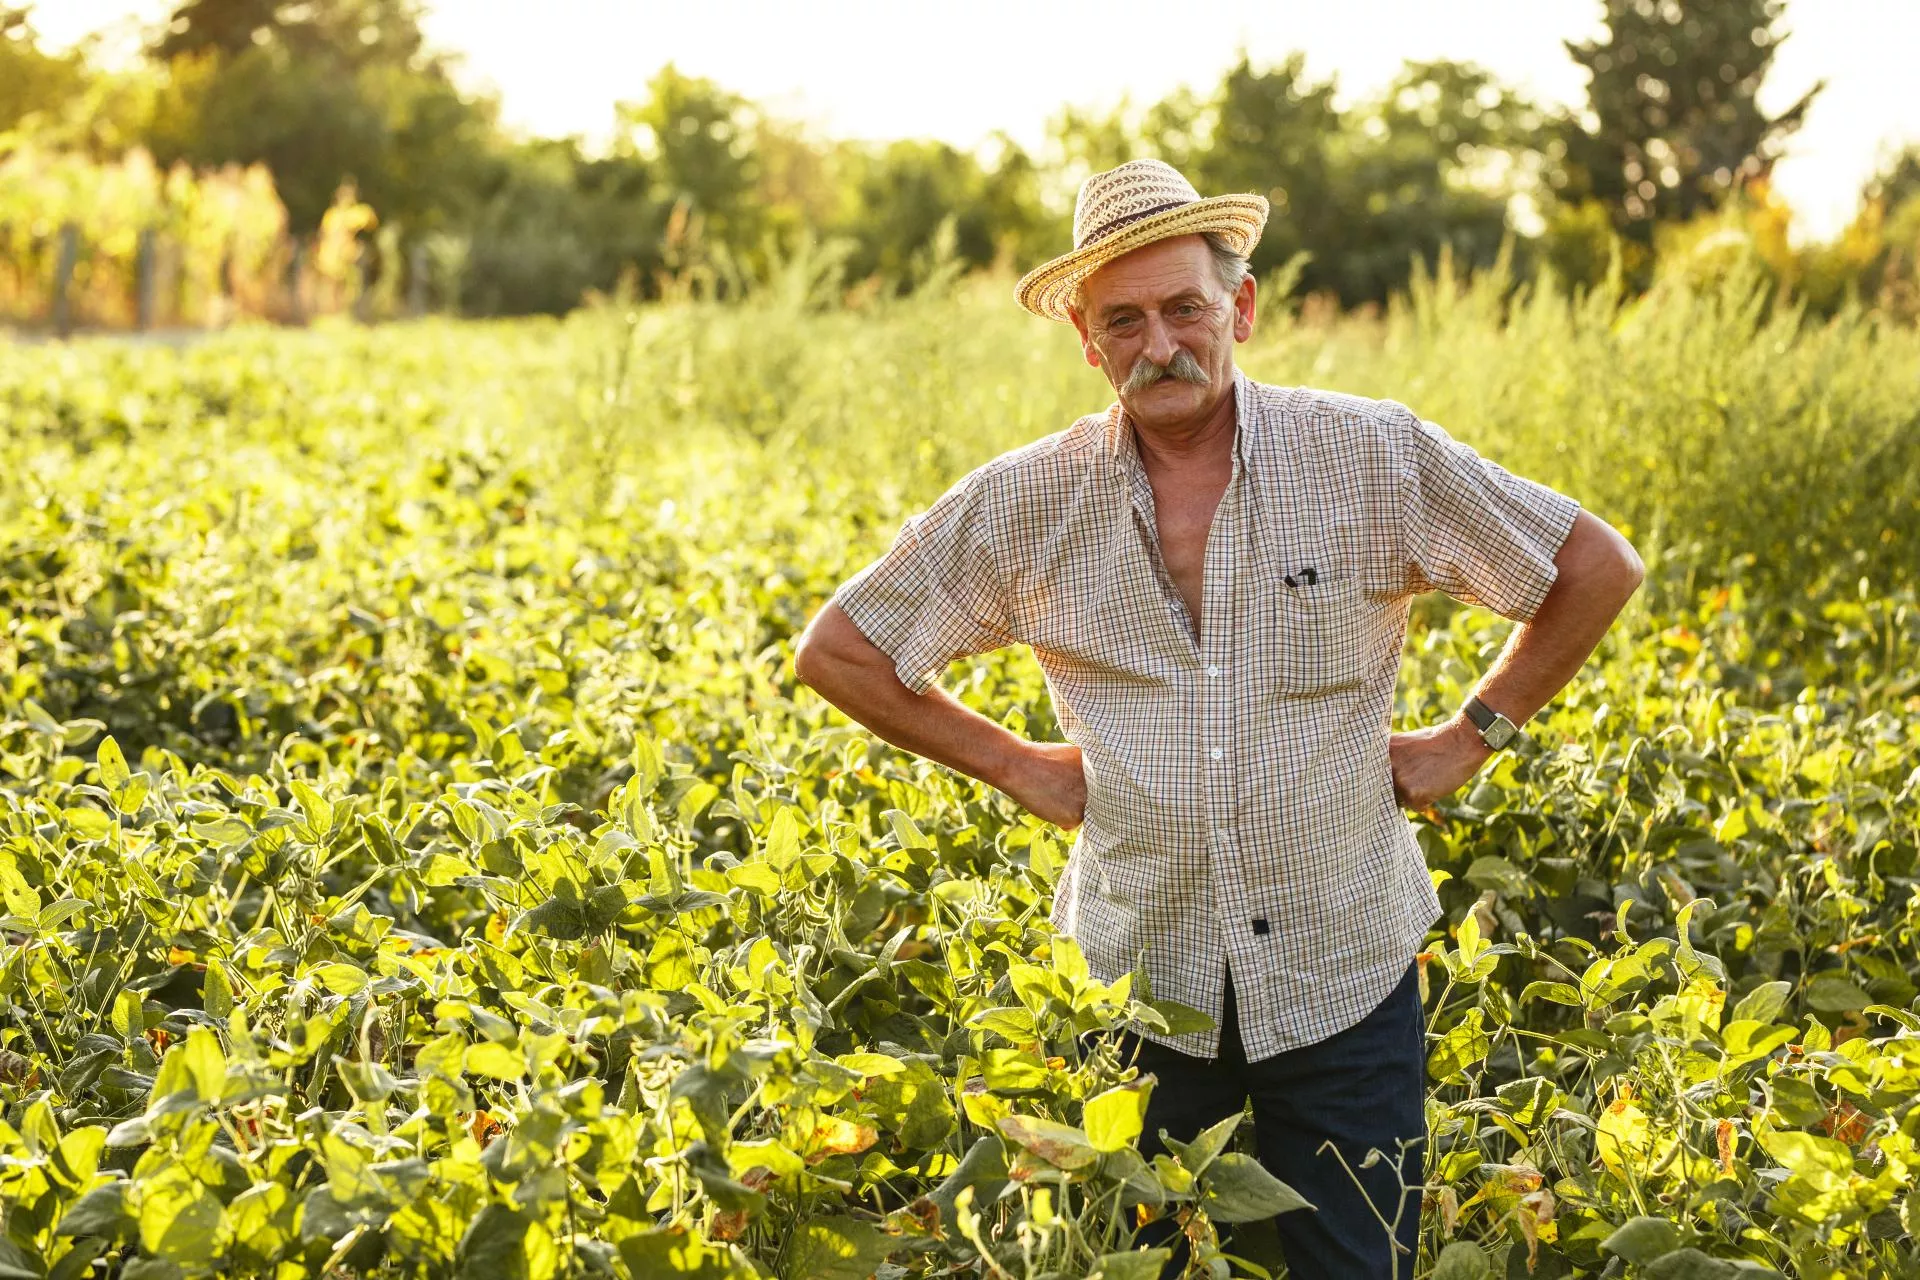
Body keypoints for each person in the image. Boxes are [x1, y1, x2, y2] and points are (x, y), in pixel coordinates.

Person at [792, 158, 1644, 1279]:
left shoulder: (1366, 455)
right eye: (1124, 321)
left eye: (1186, 308)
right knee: (1146, 1265)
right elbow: (841, 649)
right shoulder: (1026, 501)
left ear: (1239, 307)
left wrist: (1470, 734)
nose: (1161, 345)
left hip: (1342, 972)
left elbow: (1593, 564)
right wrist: (1019, 766)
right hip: (1142, 981)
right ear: (1089, 344)